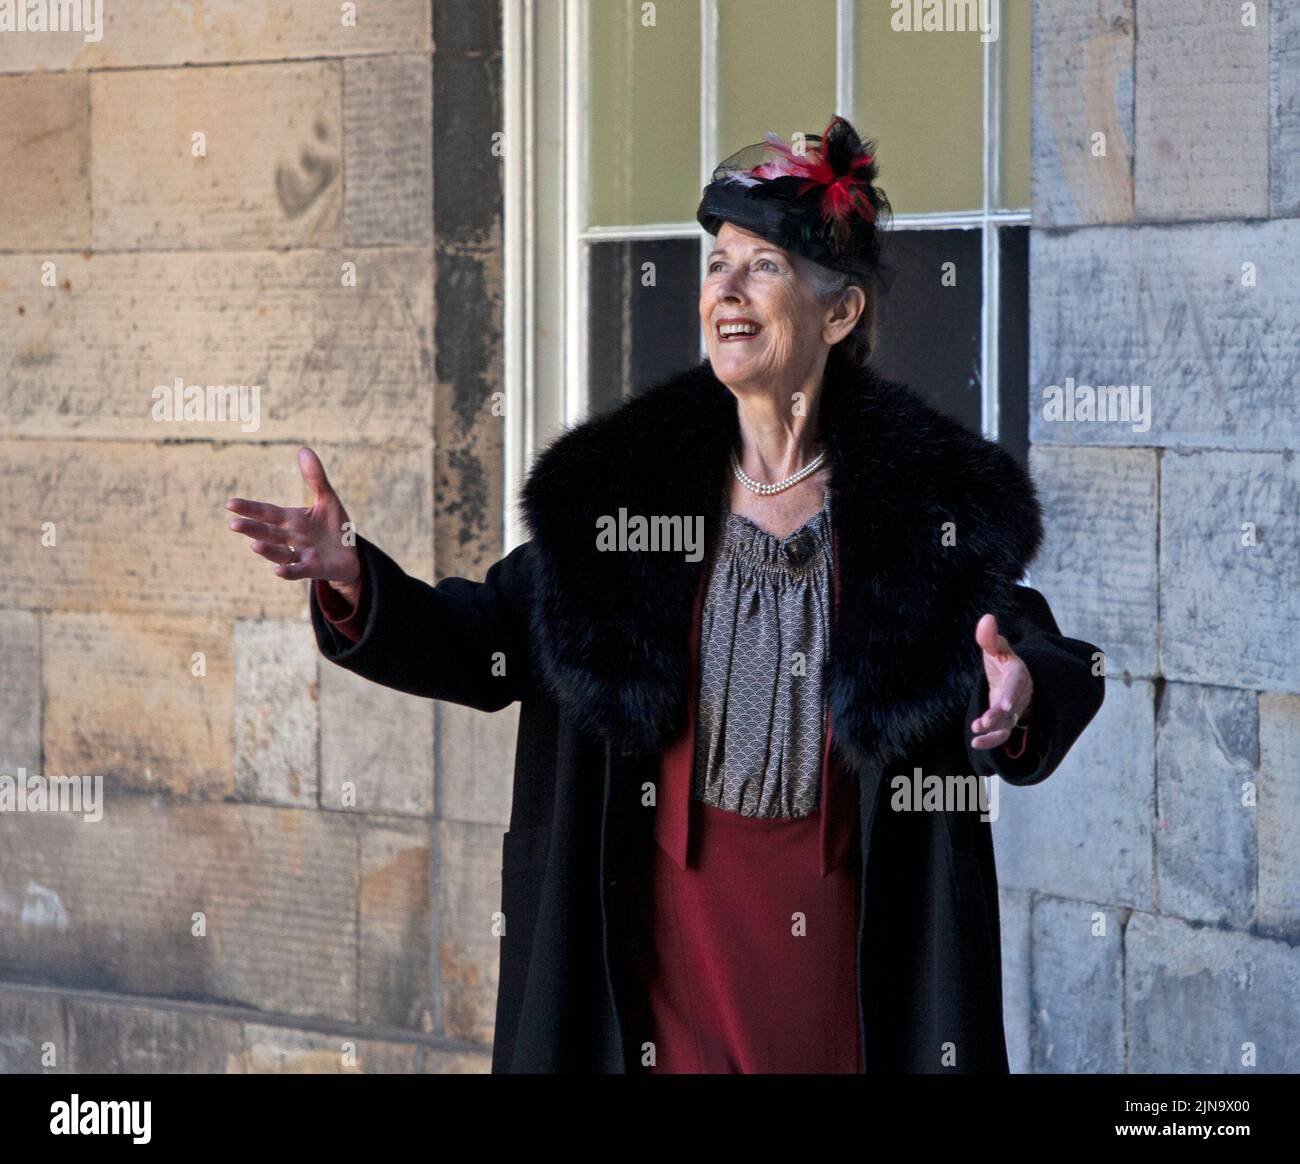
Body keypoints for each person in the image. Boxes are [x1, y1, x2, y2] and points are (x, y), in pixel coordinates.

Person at [226, 115, 1105, 1074]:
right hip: (656, 953)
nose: (724, 290)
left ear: (839, 313)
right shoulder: (626, 492)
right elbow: (487, 638)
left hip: (846, 964)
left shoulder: (920, 501)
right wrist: (355, 575)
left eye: (762, 265)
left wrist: (1018, 691)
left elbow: (1030, 645)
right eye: (716, 261)